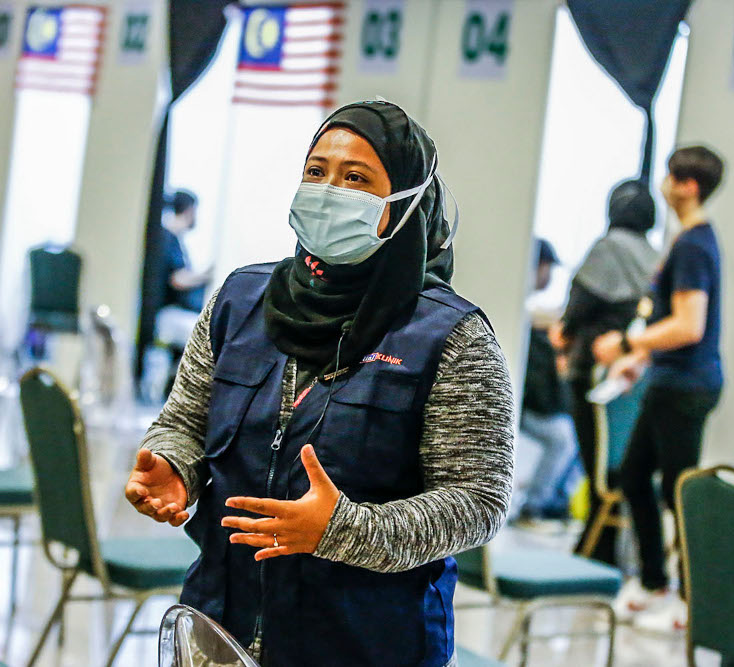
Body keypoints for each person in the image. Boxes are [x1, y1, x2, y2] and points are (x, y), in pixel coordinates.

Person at [124, 101, 515, 666]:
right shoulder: (240, 302)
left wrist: (342, 529)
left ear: (401, 205)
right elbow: (184, 421)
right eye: (316, 172)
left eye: (355, 178)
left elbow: (479, 501)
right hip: (219, 625)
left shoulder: (450, 337)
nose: (329, 191)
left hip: (366, 643)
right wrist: (173, 463)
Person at [592, 146, 725, 622]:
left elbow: (690, 325)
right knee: (634, 477)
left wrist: (629, 343)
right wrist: (643, 357)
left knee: (677, 491)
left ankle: (693, 599)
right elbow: (673, 321)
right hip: (670, 380)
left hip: (686, 387)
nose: (664, 186)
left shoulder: (693, 245)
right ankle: (653, 580)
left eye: (670, 177)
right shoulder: (686, 240)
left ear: (688, 185)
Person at [548, 179, 660, 564]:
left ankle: (596, 546)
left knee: (596, 464)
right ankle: (604, 545)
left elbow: (577, 308)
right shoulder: (655, 256)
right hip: (633, 376)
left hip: (595, 371)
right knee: (616, 463)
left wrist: (561, 337)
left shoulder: (608, 247)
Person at [515, 239, 581, 528]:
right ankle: (535, 507)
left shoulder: (529, 312)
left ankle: (550, 501)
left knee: (570, 436)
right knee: (563, 439)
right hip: (528, 404)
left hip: (534, 402)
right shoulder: (522, 311)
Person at [156, 189, 213, 347]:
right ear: (189, 210)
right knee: (207, 338)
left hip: (168, 314)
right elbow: (178, 280)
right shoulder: (168, 239)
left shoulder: (168, 238)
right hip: (166, 314)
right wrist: (207, 275)